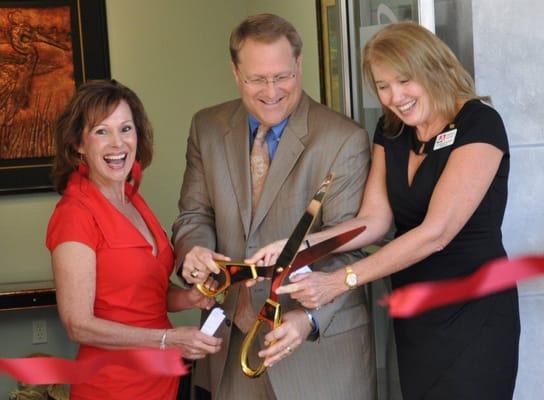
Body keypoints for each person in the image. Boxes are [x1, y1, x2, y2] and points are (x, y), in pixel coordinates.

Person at [249, 21, 520, 400]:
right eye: (382, 86)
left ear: (433, 68)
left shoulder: (479, 123)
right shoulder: (391, 129)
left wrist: (339, 280)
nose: (395, 96)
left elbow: (436, 234)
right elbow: (373, 222)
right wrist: (297, 246)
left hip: (474, 313)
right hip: (415, 314)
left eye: (404, 81)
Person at [172, 13, 376, 400]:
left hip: (319, 354)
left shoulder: (344, 138)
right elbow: (194, 215)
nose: (271, 91)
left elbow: (352, 247)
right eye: (257, 79)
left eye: (282, 76)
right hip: (231, 354)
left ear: (299, 65)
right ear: (235, 72)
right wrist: (193, 251)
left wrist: (309, 319)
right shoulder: (207, 127)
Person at [46, 80, 222, 399]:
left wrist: (190, 298)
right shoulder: (75, 213)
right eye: (102, 131)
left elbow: (145, 295)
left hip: (161, 380)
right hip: (113, 384)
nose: (118, 144)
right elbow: (78, 324)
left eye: (126, 129)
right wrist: (168, 339)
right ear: (78, 144)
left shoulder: (132, 200)